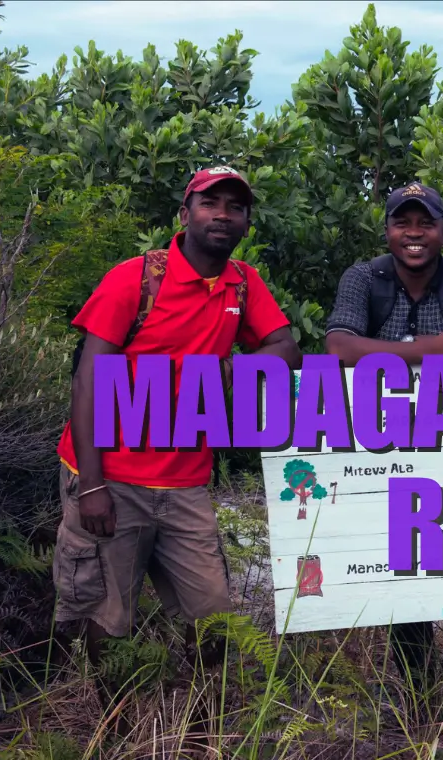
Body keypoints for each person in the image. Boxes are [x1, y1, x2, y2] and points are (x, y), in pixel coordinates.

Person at [55, 165, 301, 705]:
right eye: (210, 203)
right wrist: (92, 486)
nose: (222, 215)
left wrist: (233, 367)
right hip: (110, 474)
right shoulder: (135, 278)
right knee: (108, 614)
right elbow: (88, 379)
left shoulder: (243, 282)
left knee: (212, 615)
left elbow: (286, 348)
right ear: (185, 213)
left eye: (235, 207)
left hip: (186, 479)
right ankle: (115, 728)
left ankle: (199, 725)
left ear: (246, 222)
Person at [323, 181, 443, 710]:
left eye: (424, 222)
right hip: (386, 451)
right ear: (387, 230)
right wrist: (435, 348)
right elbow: (337, 347)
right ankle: (413, 693)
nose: (413, 233)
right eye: (402, 222)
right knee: (401, 570)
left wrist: (385, 353)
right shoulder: (364, 277)